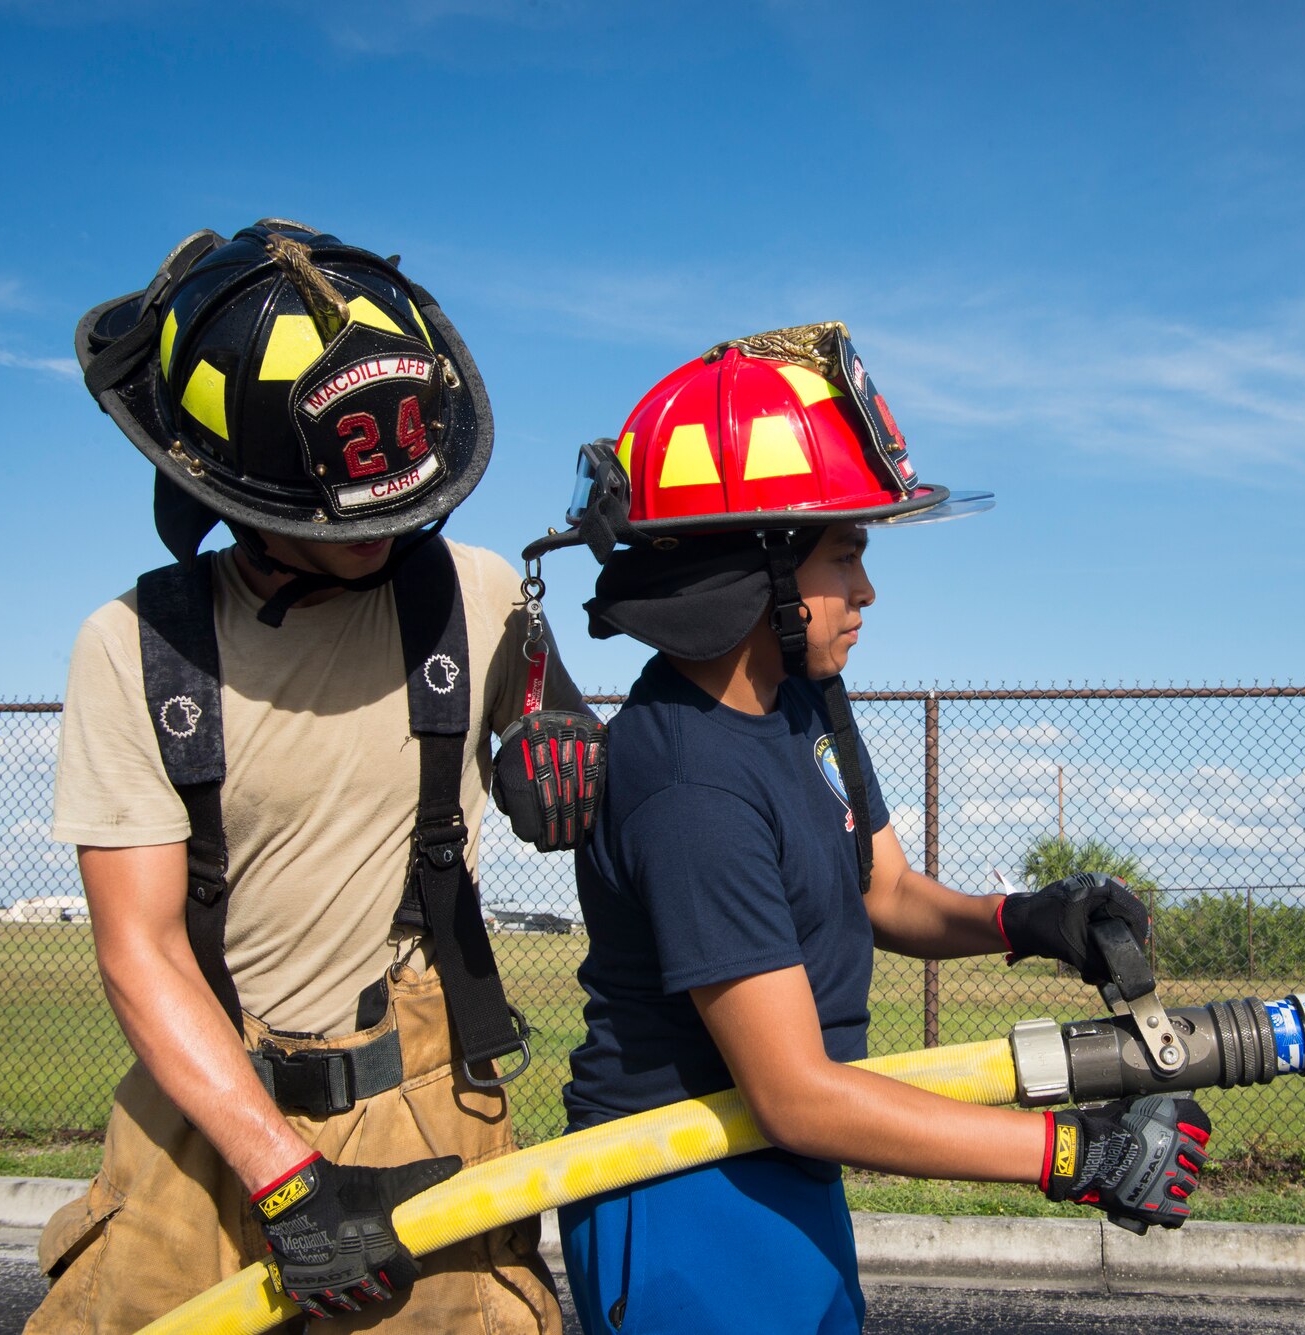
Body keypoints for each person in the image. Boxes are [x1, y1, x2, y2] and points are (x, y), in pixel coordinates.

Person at [520, 323, 1213, 1334]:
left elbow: (881, 890)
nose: (867, 590)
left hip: (776, 1164)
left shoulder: (801, 704)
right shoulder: (686, 782)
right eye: (845, 554)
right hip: (679, 1187)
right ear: (754, 572)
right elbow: (795, 1091)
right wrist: (1073, 1153)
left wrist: (1025, 919)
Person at [30, 221, 597, 1334]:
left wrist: (560, 735)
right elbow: (139, 949)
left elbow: (552, 719)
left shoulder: (472, 597)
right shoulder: (138, 648)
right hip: (203, 1138)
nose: (384, 539)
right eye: (344, 520)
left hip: (430, 1116)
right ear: (228, 481)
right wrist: (281, 1176)